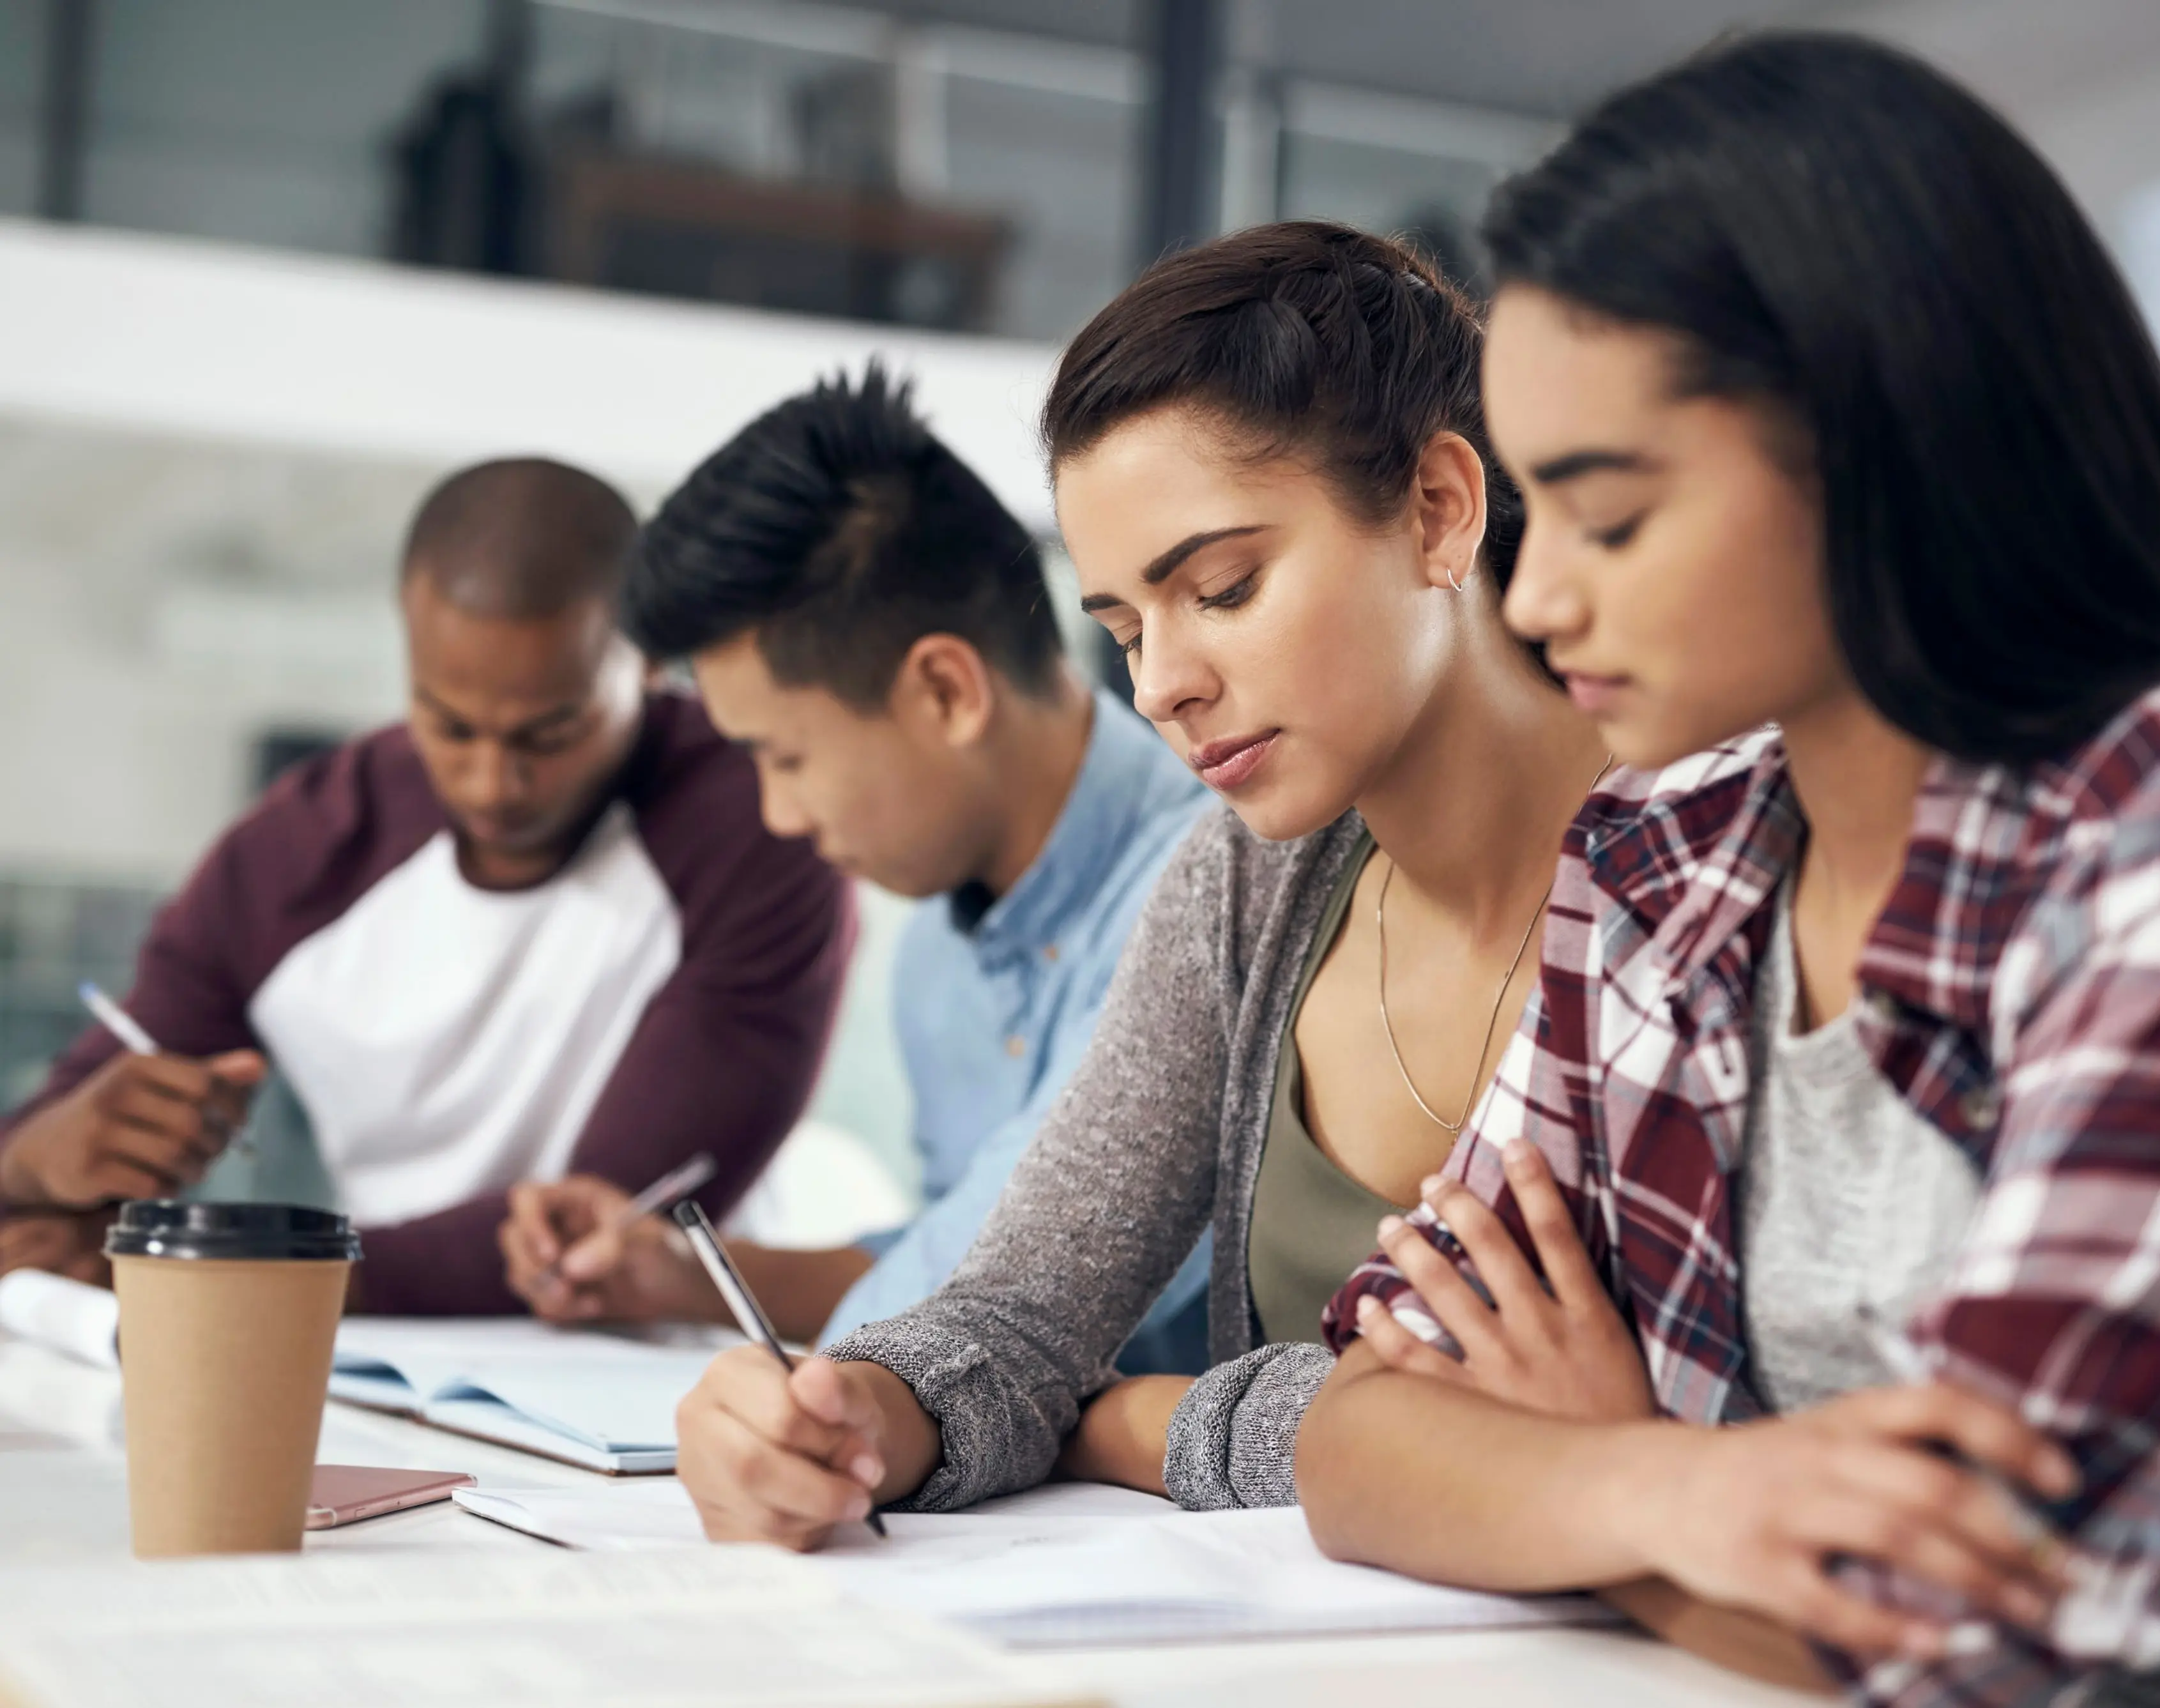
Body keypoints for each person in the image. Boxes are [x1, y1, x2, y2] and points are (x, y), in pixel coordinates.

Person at [1297, 32, 2160, 1708]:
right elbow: (1356, 1434)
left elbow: (1968, 1626)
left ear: (1888, 447)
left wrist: (1587, 1482)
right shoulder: (1658, 856)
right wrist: (1667, 1490)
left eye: (1612, 519)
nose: (1537, 601)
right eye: (1538, 515)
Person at [665, 222, 1612, 1540]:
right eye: (1122, 628)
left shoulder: (1691, 870)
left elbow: (1617, 1419)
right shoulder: (1244, 883)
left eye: (1222, 588)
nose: (1161, 684)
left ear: (1439, 510)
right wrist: (846, 1416)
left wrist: (1132, 1419)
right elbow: (1015, 1319)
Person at [0, 459, 855, 1315]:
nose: (494, 784)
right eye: (449, 726)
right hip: (367, 1350)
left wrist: (225, 1272)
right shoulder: (289, 858)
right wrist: (34, 1168)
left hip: (673, 1359)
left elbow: (606, 1227)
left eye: (551, 733)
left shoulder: (763, 822)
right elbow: (75, 1127)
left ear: (649, 660)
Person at [495, 367, 1213, 1373]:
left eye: (784, 757)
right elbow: (953, 1249)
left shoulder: (1211, 898)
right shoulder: (935, 959)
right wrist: (679, 1275)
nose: (779, 814)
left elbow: (1021, 1296)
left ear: (945, 691)